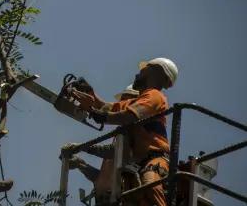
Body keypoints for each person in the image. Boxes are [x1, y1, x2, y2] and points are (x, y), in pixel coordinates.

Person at [71, 58, 178, 206]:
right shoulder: (136, 101)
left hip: (155, 158)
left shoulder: (155, 96)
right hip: (138, 162)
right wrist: (90, 93)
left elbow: (129, 116)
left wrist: (98, 115)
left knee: (149, 180)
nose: (137, 74)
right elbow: (107, 107)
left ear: (157, 72)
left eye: (143, 69)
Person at [63, 85, 139, 204]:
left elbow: (112, 151)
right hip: (105, 199)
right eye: (121, 100)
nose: (121, 104)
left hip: (121, 198)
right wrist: (81, 165)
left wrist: (82, 147)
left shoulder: (136, 130)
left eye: (126, 100)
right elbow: (102, 179)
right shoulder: (119, 134)